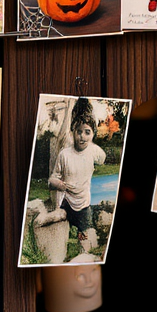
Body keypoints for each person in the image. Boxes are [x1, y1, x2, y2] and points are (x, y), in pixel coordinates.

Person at [47, 103, 106, 257]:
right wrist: (58, 183)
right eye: (78, 131)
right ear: (72, 132)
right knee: (59, 221)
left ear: (93, 134)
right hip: (66, 202)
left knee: (85, 237)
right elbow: (52, 178)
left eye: (87, 132)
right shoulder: (64, 154)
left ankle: (83, 254)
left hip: (84, 205)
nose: (82, 136)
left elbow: (102, 158)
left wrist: (93, 151)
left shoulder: (93, 151)